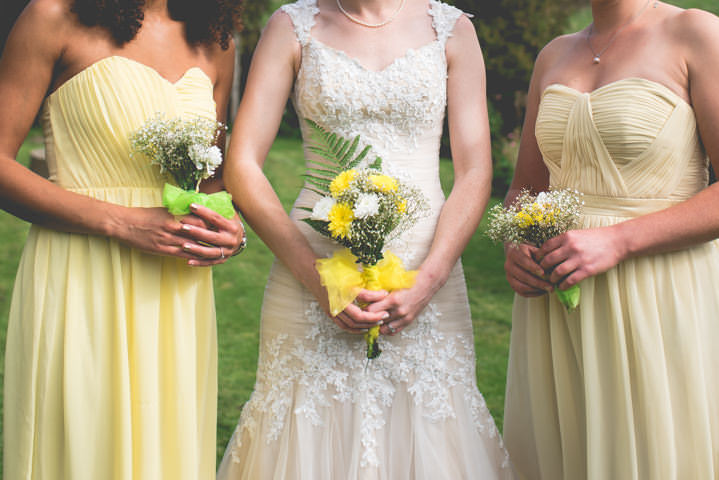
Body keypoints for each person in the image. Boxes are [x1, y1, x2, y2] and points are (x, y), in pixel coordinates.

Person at [217, 0, 513, 478]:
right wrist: (317, 282)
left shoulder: (452, 29)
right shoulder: (291, 26)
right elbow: (242, 164)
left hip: (427, 273)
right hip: (310, 270)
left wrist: (428, 281)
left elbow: (476, 169)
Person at [0, 0, 245, 478]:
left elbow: (209, 178)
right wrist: (122, 222)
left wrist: (226, 229)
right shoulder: (53, 16)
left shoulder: (213, 36)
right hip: (80, 273)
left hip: (177, 289)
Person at [501, 1, 719, 478]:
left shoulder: (696, 34)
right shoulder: (554, 53)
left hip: (656, 295)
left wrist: (619, 241)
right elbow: (527, 189)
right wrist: (515, 243)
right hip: (554, 305)